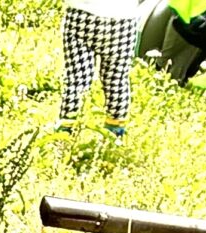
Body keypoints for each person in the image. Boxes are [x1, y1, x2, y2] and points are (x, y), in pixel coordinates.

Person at [56, 0, 149, 136]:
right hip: (123, 21)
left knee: (77, 78)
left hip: (81, 16)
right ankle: (114, 133)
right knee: (116, 80)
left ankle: (65, 130)